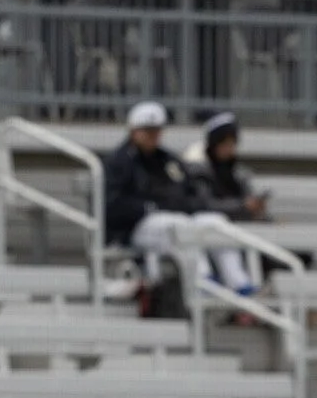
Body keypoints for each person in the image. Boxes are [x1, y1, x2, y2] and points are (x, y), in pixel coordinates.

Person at [102, 102, 244, 311]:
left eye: (157, 131)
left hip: (174, 217)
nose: (153, 136)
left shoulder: (168, 161)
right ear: (134, 131)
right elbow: (113, 205)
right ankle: (203, 281)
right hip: (136, 228)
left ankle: (240, 283)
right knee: (178, 226)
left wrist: (179, 204)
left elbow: (187, 192)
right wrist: (148, 207)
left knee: (216, 223)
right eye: (148, 131)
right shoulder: (119, 162)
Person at [184, 112, 267, 297]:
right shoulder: (198, 169)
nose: (229, 149)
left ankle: (242, 287)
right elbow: (203, 205)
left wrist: (255, 209)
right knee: (214, 222)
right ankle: (227, 282)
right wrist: (242, 207)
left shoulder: (238, 173)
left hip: (236, 228)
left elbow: (245, 198)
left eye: (232, 144)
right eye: (225, 143)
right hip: (205, 226)